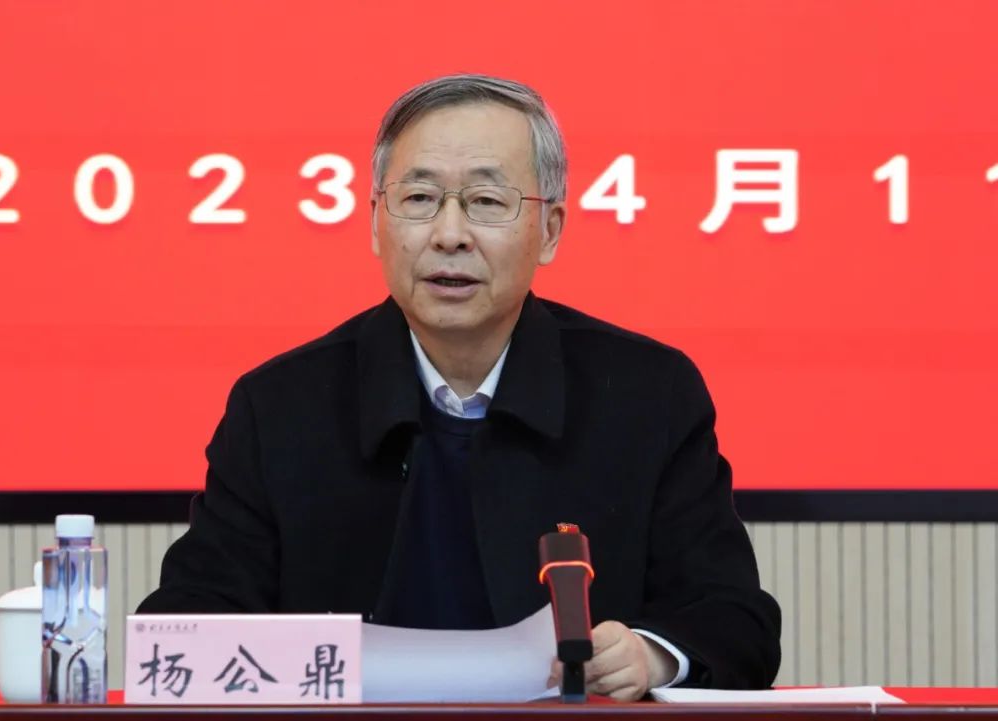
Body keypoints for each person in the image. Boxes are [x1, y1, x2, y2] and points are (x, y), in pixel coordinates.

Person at [138, 74, 781, 699]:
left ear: (550, 230)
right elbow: (189, 621)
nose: (449, 235)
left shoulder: (647, 395)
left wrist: (650, 654)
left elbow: (735, 618)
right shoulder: (280, 406)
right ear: (375, 222)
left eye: (487, 202)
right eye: (419, 199)